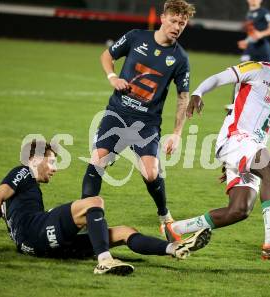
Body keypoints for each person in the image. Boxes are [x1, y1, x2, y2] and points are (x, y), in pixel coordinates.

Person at [163, 38, 270, 261]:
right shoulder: (256, 69)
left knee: (239, 210)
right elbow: (219, 78)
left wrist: (238, 160)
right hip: (235, 139)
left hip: (249, 148)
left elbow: (266, 128)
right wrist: (198, 92)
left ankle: (175, 228)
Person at [0, 140, 211, 276]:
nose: (54, 168)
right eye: (51, 161)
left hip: (43, 247)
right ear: (34, 160)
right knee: (94, 202)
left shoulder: (20, 198)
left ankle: (175, 248)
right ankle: (104, 260)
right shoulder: (22, 172)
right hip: (37, 231)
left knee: (125, 231)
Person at [81, 0, 196, 230]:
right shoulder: (136, 37)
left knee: (151, 173)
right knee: (98, 160)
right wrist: (112, 77)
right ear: (163, 18)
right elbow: (107, 55)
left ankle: (164, 215)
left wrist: (177, 133)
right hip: (117, 113)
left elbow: (183, 97)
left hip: (146, 123)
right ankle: (84, 215)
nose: (177, 27)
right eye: (173, 21)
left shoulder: (180, 58)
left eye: (182, 24)